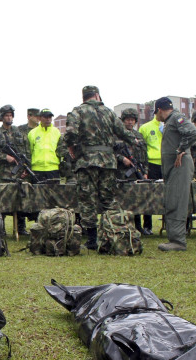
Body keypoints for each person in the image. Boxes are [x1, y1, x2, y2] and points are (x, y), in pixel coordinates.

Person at [64, 85, 135, 250]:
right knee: (108, 199)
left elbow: (71, 133)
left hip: (87, 162)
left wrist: (71, 147)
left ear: (84, 97)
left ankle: (91, 240)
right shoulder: (109, 112)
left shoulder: (78, 112)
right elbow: (123, 132)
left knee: (87, 199)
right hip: (108, 162)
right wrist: (133, 142)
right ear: (97, 95)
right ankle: (114, 234)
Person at [154, 97, 196, 251]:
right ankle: (175, 238)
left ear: (159, 110)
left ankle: (178, 241)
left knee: (177, 201)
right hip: (174, 168)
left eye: (156, 113)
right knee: (172, 200)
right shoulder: (171, 121)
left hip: (180, 166)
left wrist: (181, 149)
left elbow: (192, 132)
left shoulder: (176, 118)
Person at [0, 104, 31, 235]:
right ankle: (1, 229)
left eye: (10, 115)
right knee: (2, 201)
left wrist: (26, 167)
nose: (9, 118)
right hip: (3, 173)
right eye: (6, 115)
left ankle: (21, 227)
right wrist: (4, 157)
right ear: (2, 118)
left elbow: (25, 150)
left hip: (18, 172)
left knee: (19, 199)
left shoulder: (18, 132)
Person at [115, 108, 148, 233]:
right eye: (127, 120)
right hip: (121, 173)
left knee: (137, 199)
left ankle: (138, 226)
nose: (130, 122)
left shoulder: (138, 136)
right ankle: (123, 226)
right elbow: (111, 153)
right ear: (123, 121)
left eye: (132, 120)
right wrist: (122, 158)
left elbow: (144, 155)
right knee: (122, 200)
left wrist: (145, 171)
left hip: (136, 172)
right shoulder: (116, 136)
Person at [138, 109, 163, 235]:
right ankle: (147, 226)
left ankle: (168, 225)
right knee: (148, 195)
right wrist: (144, 169)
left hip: (167, 164)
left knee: (167, 196)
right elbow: (141, 149)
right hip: (151, 164)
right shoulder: (145, 127)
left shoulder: (171, 126)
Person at [28, 108, 62, 184]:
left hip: (53, 169)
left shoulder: (57, 132)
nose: (48, 119)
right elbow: (29, 151)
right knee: (37, 195)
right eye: (45, 117)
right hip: (37, 170)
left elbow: (60, 151)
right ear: (40, 118)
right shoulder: (32, 133)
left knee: (53, 195)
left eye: (50, 117)